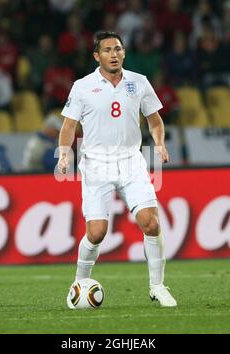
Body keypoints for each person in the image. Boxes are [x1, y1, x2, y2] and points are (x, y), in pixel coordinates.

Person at [58, 31, 177, 308]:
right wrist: (64, 155)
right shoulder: (82, 86)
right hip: (96, 163)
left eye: (118, 49)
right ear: (96, 56)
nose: (114, 54)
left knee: (152, 222)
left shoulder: (139, 82)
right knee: (97, 231)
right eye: (108, 50)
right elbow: (68, 126)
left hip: (131, 160)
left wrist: (158, 144)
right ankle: (80, 281)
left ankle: (157, 286)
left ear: (124, 53)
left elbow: (155, 120)